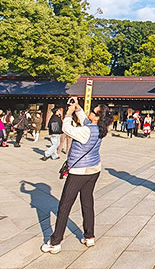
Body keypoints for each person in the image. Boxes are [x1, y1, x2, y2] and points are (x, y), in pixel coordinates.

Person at [40, 99, 112, 254]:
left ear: (98, 117)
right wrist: (78, 107)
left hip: (79, 171)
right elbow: (86, 119)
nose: (91, 112)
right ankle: (89, 236)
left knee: (65, 205)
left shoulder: (85, 131)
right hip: (94, 169)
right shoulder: (100, 128)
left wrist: (68, 113)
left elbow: (66, 128)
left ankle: (55, 241)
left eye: (94, 111)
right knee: (87, 202)